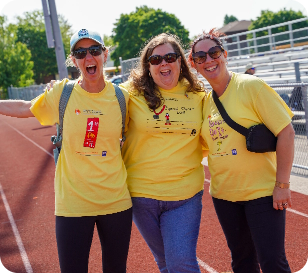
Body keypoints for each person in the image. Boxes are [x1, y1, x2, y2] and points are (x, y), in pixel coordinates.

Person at [0, 29, 132, 273]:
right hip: (72, 203)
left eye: (94, 51)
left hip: (115, 202)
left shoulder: (123, 97)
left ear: (105, 54)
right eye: (80, 53)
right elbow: (25, 107)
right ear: (73, 60)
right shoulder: (63, 93)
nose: (88, 58)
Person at [187, 28, 295, 273]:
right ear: (194, 65)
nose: (209, 60)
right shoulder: (205, 101)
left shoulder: (251, 86)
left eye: (213, 52)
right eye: (200, 57)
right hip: (225, 196)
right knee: (242, 262)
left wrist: (283, 185)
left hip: (262, 194)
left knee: (272, 262)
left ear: (224, 54)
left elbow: (286, 132)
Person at [120, 33, 206, 273]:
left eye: (170, 57)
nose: (163, 63)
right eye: (155, 59)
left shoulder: (199, 97)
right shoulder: (128, 93)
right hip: (141, 195)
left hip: (185, 196)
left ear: (180, 61)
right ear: (148, 66)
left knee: (181, 262)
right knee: (165, 263)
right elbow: (96, 98)